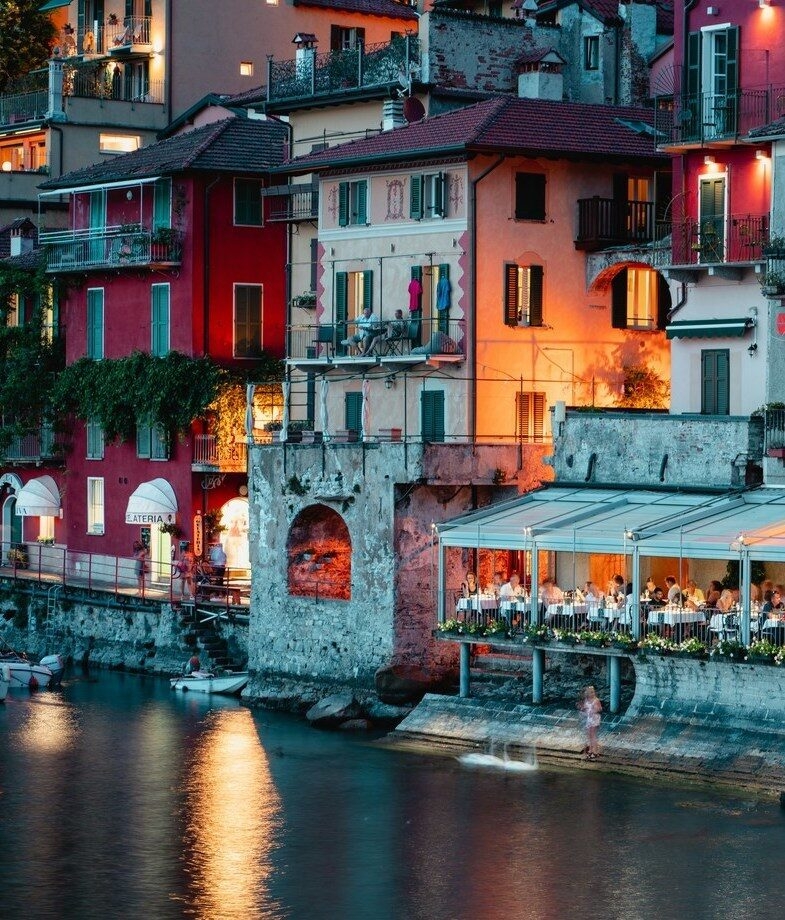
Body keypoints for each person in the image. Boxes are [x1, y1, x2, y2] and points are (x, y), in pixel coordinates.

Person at [578, 686, 602, 760]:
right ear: (587, 694)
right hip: (589, 718)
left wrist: (594, 710)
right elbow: (585, 707)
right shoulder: (586, 700)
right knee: (589, 734)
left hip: (594, 718)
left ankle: (595, 751)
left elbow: (600, 709)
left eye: (593, 692)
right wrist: (583, 708)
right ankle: (590, 749)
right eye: (591, 692)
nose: (592, 693)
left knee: (593, 735)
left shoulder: (596, 700)